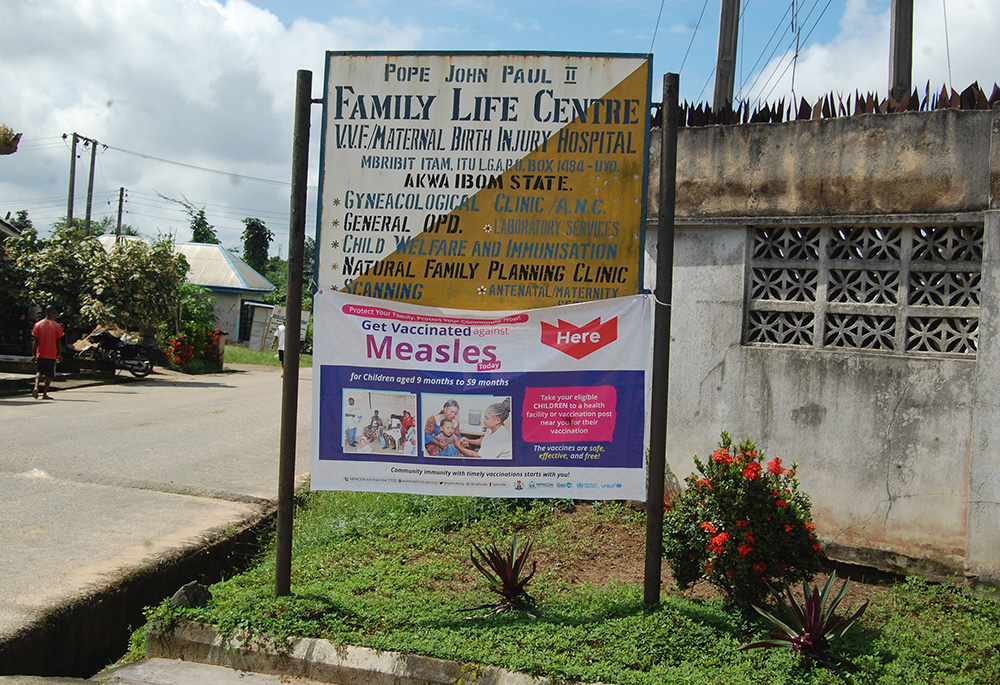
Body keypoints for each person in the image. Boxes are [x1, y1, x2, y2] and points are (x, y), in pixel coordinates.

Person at [31, 306, 64, 400]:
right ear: (53, 313)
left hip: (40, 353)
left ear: (45, 312)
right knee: (49, 375)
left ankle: (36, 387)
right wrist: (60, 354)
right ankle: (44, 394)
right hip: (51, 354)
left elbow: (36, 341)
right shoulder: (57, 326)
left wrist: (33, 354)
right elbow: (58, 342)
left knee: (39, 372)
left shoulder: (38, 325)